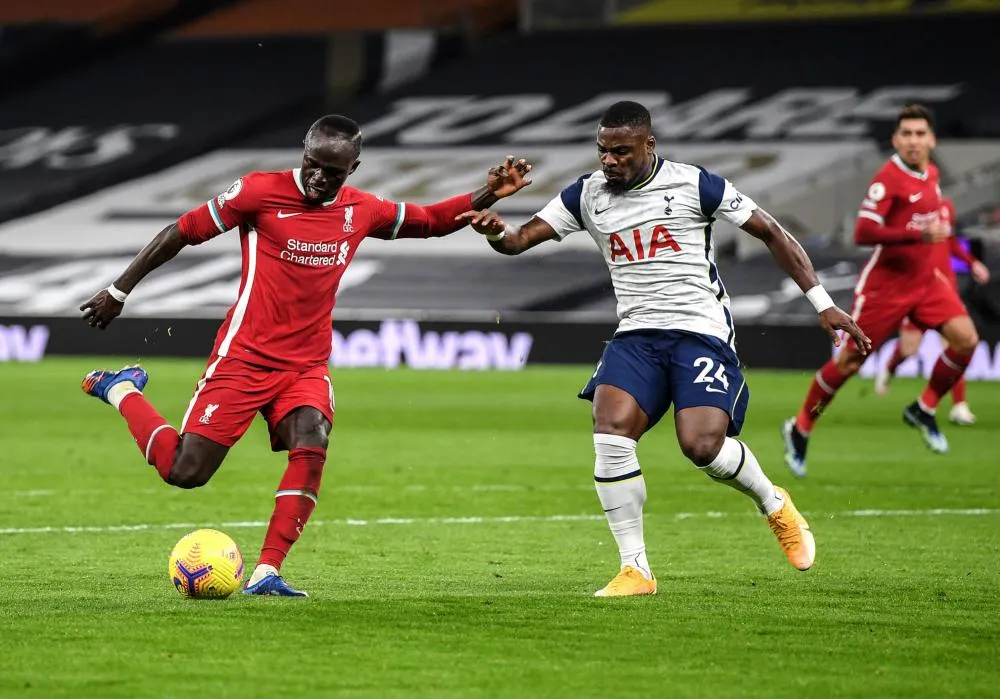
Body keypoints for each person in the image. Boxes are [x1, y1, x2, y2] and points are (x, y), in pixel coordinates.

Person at [79, 115, 533, 597]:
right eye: (312, 164)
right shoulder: (257, 192)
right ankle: (121, 388)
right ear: (304, 151)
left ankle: (267, 571)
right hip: (244, 357)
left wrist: (487, 194)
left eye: (332, 172)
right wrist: (118, 289)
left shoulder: (362, 210)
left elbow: (430, 222)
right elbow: (181, 231)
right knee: (184, 472)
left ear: (353, 168)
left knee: (312, 439)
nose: (318, 177)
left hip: (304, 365)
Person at [456, 101, 869, 597]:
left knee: (701, 446)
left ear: (649, 145)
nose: (609, 161)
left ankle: (773, 502)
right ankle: (636, 569)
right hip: (636, 335)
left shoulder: (696, 184)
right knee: (609, 429)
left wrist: (822, 303)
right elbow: (520, 240)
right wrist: (496, 230)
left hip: (700, 330)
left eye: (621, 152)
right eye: (603, 151)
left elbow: (771, 232)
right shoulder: (586, 194)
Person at [783, 103, 980, 477]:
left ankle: (924, 407)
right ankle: (802, 426)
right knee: (849, 363)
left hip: (926, 284)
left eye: (920, 133)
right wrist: (919, 234)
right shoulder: (888, 180)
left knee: (966, 340)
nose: (913, 141)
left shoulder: (932, 174)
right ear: (895, 139)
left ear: (931, 139)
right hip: (885, 288)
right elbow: (863, 232)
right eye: (906, 134)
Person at [874, 197, 990, 426]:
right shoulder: (910, 211)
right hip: (918, 289)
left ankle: (959, 406)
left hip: (945, 291)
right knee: (909, 348)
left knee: (957, 344)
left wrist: (972, 262)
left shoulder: (946, 207)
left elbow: (951, 242)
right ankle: (890, 367)